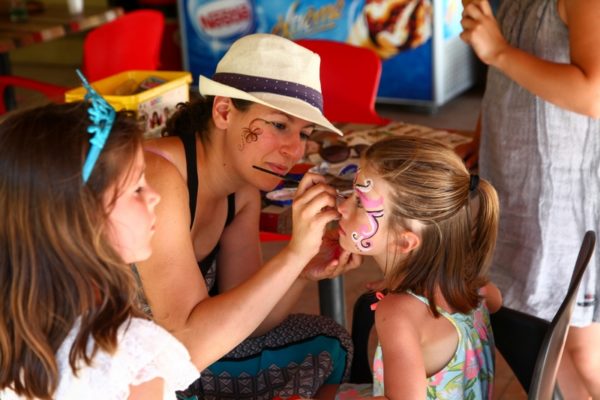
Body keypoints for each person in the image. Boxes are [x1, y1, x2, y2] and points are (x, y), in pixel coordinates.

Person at [139, 33, 361, 399]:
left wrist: (303, 268)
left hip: (189, 355)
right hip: (122, 370)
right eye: (278, 125)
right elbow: (185, 349)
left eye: (303, 133)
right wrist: (293, 254)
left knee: (328, 342)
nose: (294, 149)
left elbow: (249, 323)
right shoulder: (160, 176)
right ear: (224, 111)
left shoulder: (242, 189)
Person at [0, 79, 198, 399]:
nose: (155, 197)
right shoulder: (130, 355)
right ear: (80, 218)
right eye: (137, 188)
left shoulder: (13, 337)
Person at [460, 0, 600, 397]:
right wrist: (481, 135)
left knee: (581, 350)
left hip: (570, 198)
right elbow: (505, 78)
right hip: (519, 183)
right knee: (541, 342)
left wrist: (498, 51)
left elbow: (594, 93)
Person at [332, 136, 502, 399]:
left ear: (404, 241)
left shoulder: (398, 312)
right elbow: (496, 301)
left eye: (359, 202)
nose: (341, 207)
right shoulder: (471, 284)